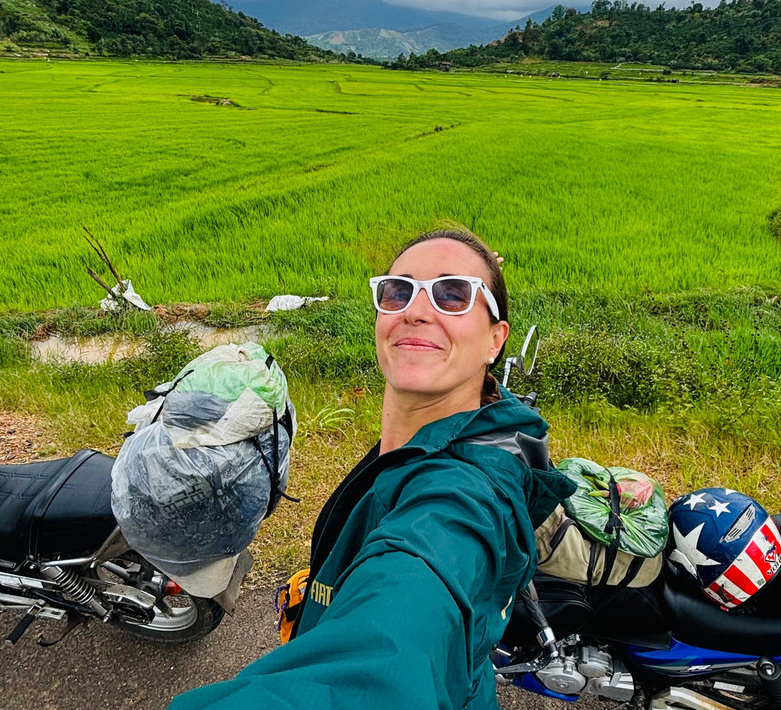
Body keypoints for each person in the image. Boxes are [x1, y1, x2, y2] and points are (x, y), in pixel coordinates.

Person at [168, 227, 574, 710]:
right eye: (399, 290)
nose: (416, 310)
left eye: (453, 294)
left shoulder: (462, 494)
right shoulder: (459, 426)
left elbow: (392, 643)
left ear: (495, 340)